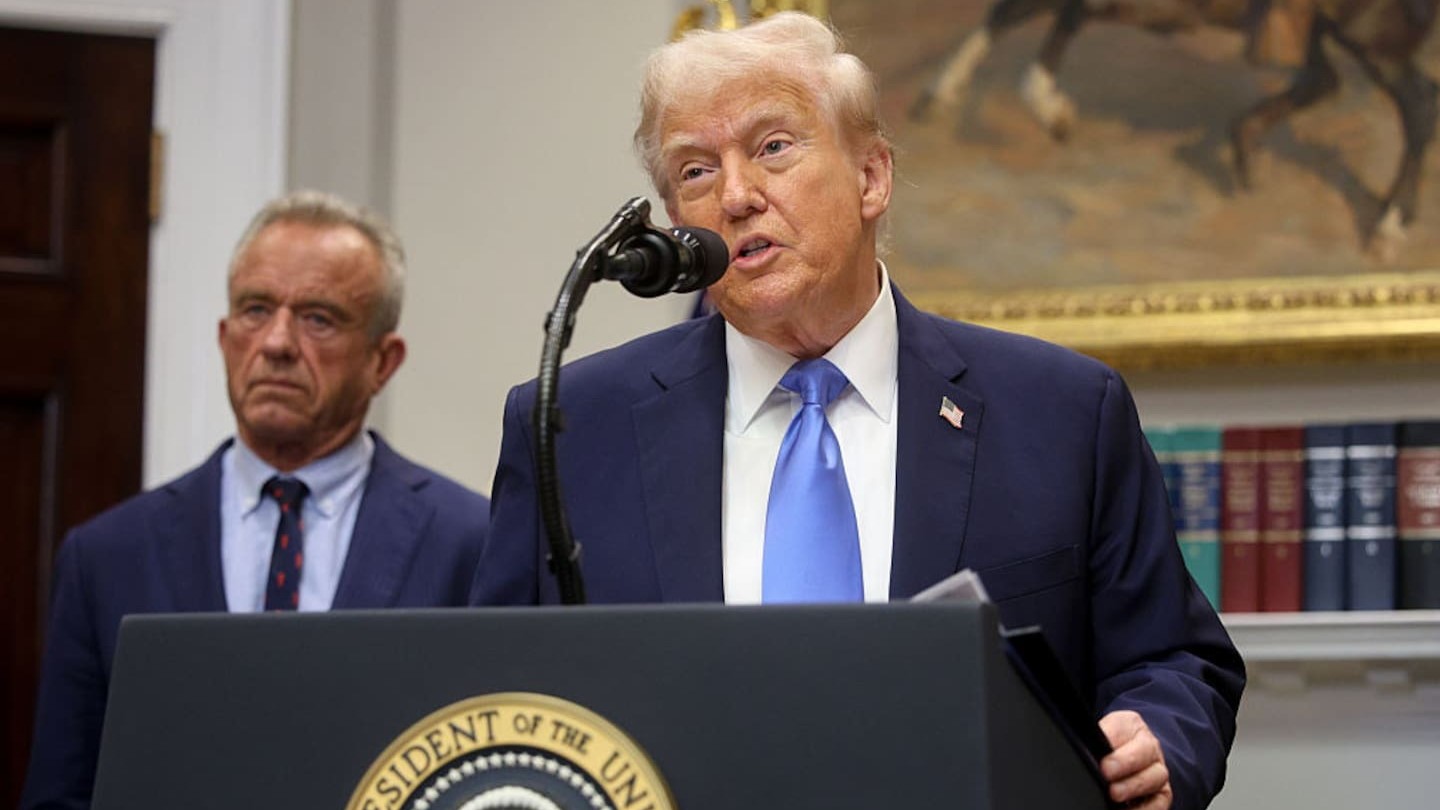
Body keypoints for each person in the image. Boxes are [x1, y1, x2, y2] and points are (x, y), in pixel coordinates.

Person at [471, 12, 1243, 810]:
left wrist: (1159, 736)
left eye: (773, 147)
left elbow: (1176, 662)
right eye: (695, 172)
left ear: (872, 177)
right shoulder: (574, 428)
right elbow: (489, 693)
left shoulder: (1062, 412)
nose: (736, 196)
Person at [21, 191, 490, 809]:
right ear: (223, 338)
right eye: (255, 310)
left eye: (318, 318)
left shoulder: (470, 541)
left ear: (383, 361)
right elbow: (62, 795)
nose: (276, 343)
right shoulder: (107, 556)